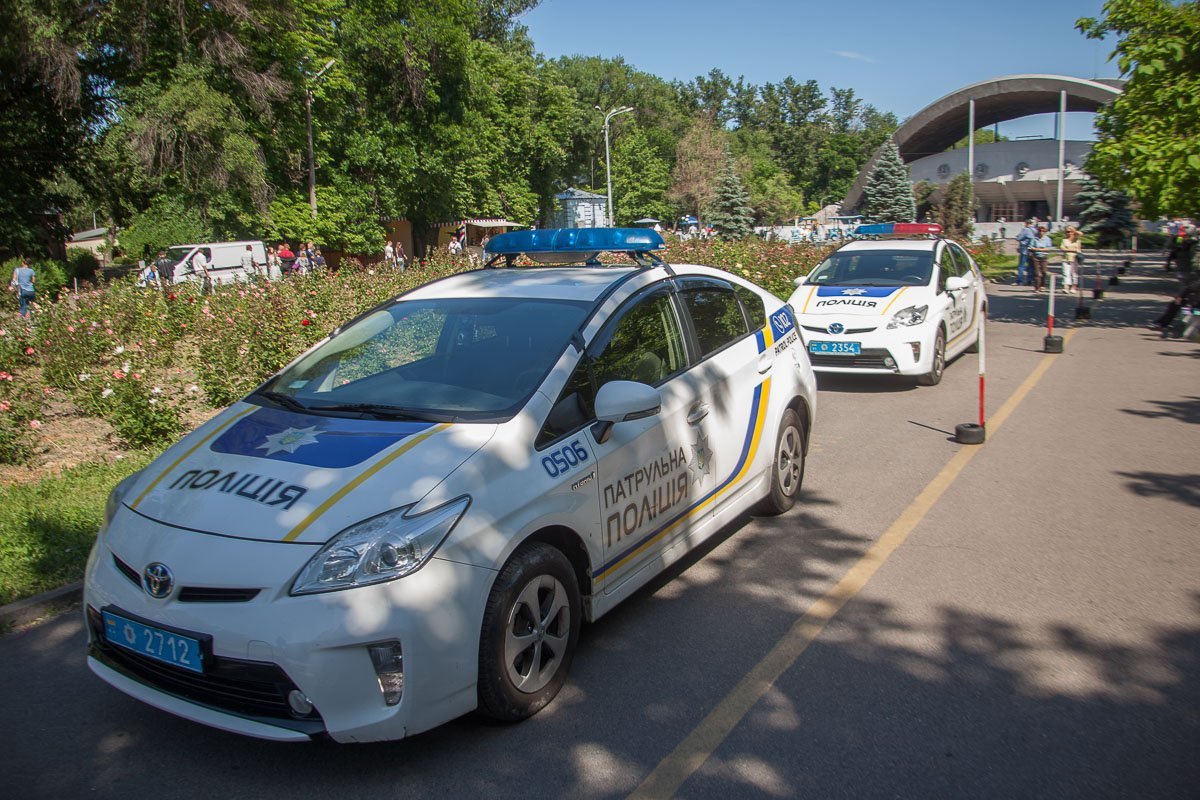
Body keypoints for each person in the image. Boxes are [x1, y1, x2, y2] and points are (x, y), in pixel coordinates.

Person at [1028, 225, 1052, 292]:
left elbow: (1049, 248)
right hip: (1036, 256)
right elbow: (1030, 247)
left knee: (1044, 272)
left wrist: (1042, 250)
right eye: (1040, 231)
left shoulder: (1047, 239)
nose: (1042, 232)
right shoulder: (1034, 239)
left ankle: (1043, 285)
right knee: (1036, 272)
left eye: (1043, 231)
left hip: (1044, 256)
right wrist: (1038, 249)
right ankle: (1037, 287)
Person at [1059, 226, 1083, 292]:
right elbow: (1062, 248)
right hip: (1066, 258)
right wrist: (1072, 250)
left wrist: (1074, 232)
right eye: (1067, 232)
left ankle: (1073, 287)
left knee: (1074, 274)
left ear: (1073, 232)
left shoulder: (1077, 240)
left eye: (1070, 232)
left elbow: (1078, 249)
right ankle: (1066, 287)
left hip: (1074, 259)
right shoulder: (1064, 240)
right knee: (1066, 273)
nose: (1068, 233)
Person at [1015, 219, 1038, 286]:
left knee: (1021, 266)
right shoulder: (1035, 230)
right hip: (1032, 250)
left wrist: (1018, 237)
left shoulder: (1026, 230)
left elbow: (1018, 238)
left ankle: (1020, 281)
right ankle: (1029, 280)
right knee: (1030, 266)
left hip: (1024, 250)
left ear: (1026, 223)